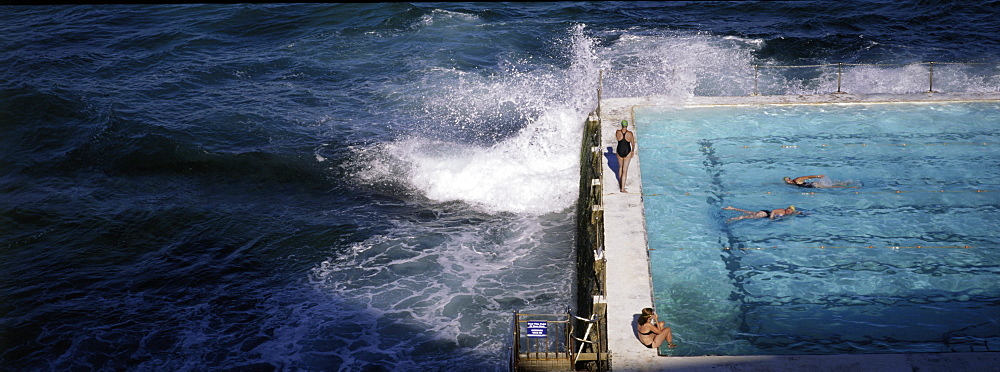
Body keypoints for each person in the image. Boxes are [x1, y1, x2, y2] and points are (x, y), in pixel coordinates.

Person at [615, 119, 635, 193]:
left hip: (619, 151)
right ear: (627, 125)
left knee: (620, 167)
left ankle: (620, 183)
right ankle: (622, 188)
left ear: (621, 125)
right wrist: (632, 151)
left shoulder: (617, 132)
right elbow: (633, 143)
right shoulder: (630, 133)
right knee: (625, 170)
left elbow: (618, 139)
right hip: (627, 151)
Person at [722, 205, 800, 222]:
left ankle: (732, 208)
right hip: (765, 214)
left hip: (764, 213)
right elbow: (773, 211)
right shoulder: (782, 211)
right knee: (747, 217)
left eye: (790, 210)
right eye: (788, 208)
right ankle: (731, 219)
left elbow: (795, 213)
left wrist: (799, 213)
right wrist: (771, 219)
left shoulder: (789, 213)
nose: (789, 210)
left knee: (748, 212)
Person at [783, 174, 850, 188]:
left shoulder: (797, 179)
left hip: (815, 185)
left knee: (832, 186)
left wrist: (818, 176)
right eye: (786, 181)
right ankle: (845, 183)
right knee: (832, 185)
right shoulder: (793, 183)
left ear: (790, 179)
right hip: (813, 185)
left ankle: (851, 187)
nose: (788, 181)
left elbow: (808, 177)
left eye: (788, 179)